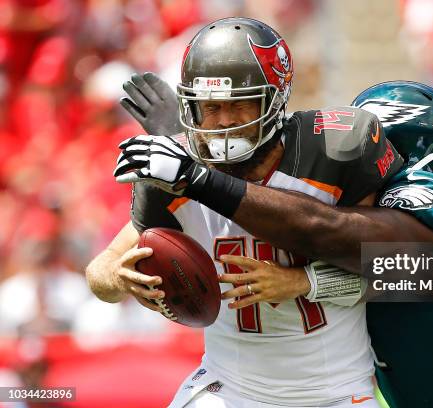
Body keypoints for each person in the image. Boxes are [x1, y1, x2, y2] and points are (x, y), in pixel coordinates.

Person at [87, 17, 404, 408]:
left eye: (239, 104)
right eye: (211, 106)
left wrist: (303, 282)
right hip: (229, 388)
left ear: (274, 99)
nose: (223, 120)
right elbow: (99, 273)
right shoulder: (171, 171)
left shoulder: (331, 153)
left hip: (335, 393)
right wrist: (120, 277)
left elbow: (404, 270)